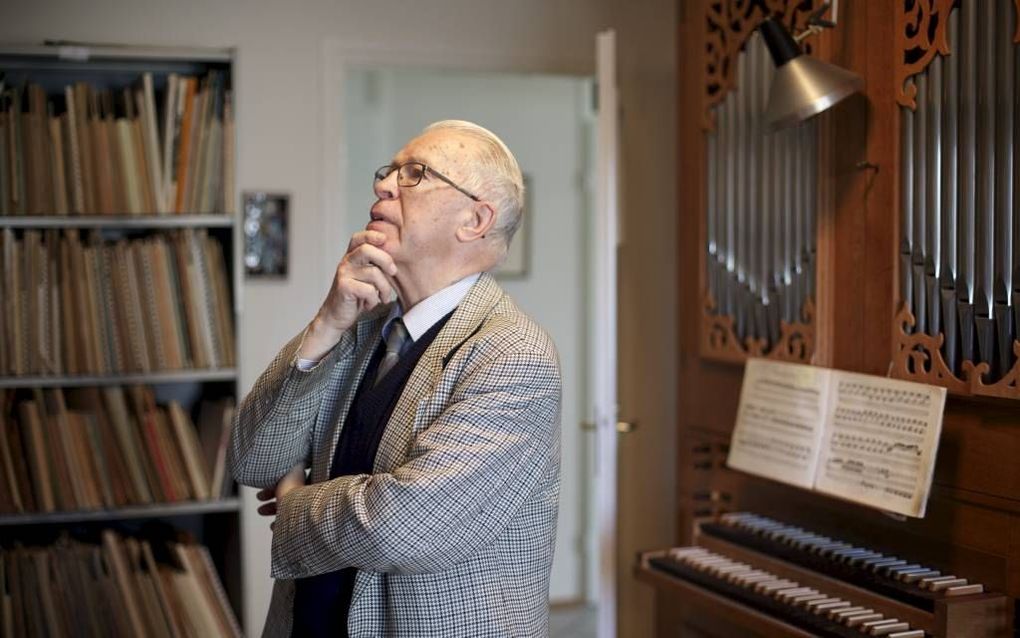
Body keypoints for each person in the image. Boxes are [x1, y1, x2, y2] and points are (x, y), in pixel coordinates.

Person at [228, 120, 562, 638]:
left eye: (415, 173)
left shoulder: (515, 355)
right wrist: (326, 324)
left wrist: (296, 500)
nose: (383, 185)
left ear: (475, 219)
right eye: (389, 172)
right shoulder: (361, 325)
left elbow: (401, 524)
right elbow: (253, 459)